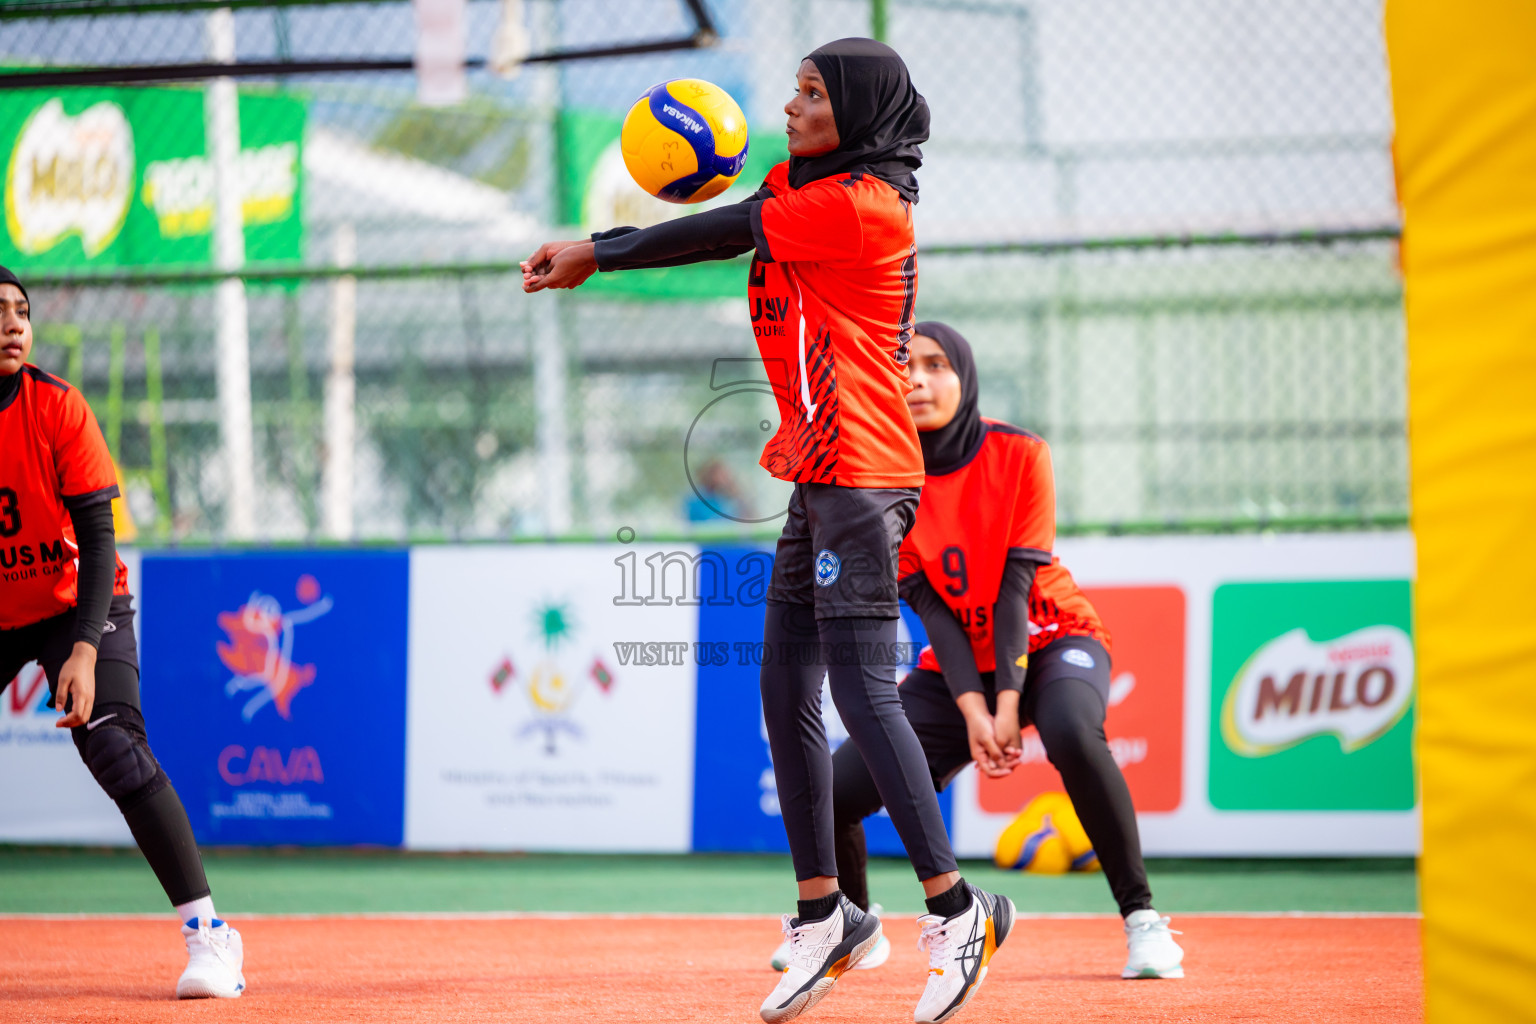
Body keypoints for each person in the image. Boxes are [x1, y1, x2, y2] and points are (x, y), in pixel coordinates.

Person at [523, 39, 1013, 1024]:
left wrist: (600, 250)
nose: (791, 107)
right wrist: (636, 214)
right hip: (818, 472)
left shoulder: (867, 205)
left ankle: (958, 911)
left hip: (864, 476)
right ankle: (827, 916)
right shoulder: (806, 181)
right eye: (793, 90)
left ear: (858, 113)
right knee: (784, 685)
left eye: (812, 94)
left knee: (862, 691)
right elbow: (741, 209)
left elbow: (735, 227)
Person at [821, 321, 1185, 980]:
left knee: (1072, 732)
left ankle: (1144, 922)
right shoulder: (882, 482)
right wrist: (974, 710)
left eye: (936, 365)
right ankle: (853, 929)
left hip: (1053, 636)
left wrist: (1008, 705)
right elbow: (933, 611)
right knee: (837, 787)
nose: (917, 380)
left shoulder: (1021, 452)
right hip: (958, 660)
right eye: (903, 366)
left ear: (964, 376)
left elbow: (1015, 589)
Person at [0, 267, 246, 1000]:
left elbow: (100, 538)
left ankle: (210, 936)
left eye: (22, 311)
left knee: (111, 742)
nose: (13, 323)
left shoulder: (57, 406)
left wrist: (82, 649)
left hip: (77, 601)